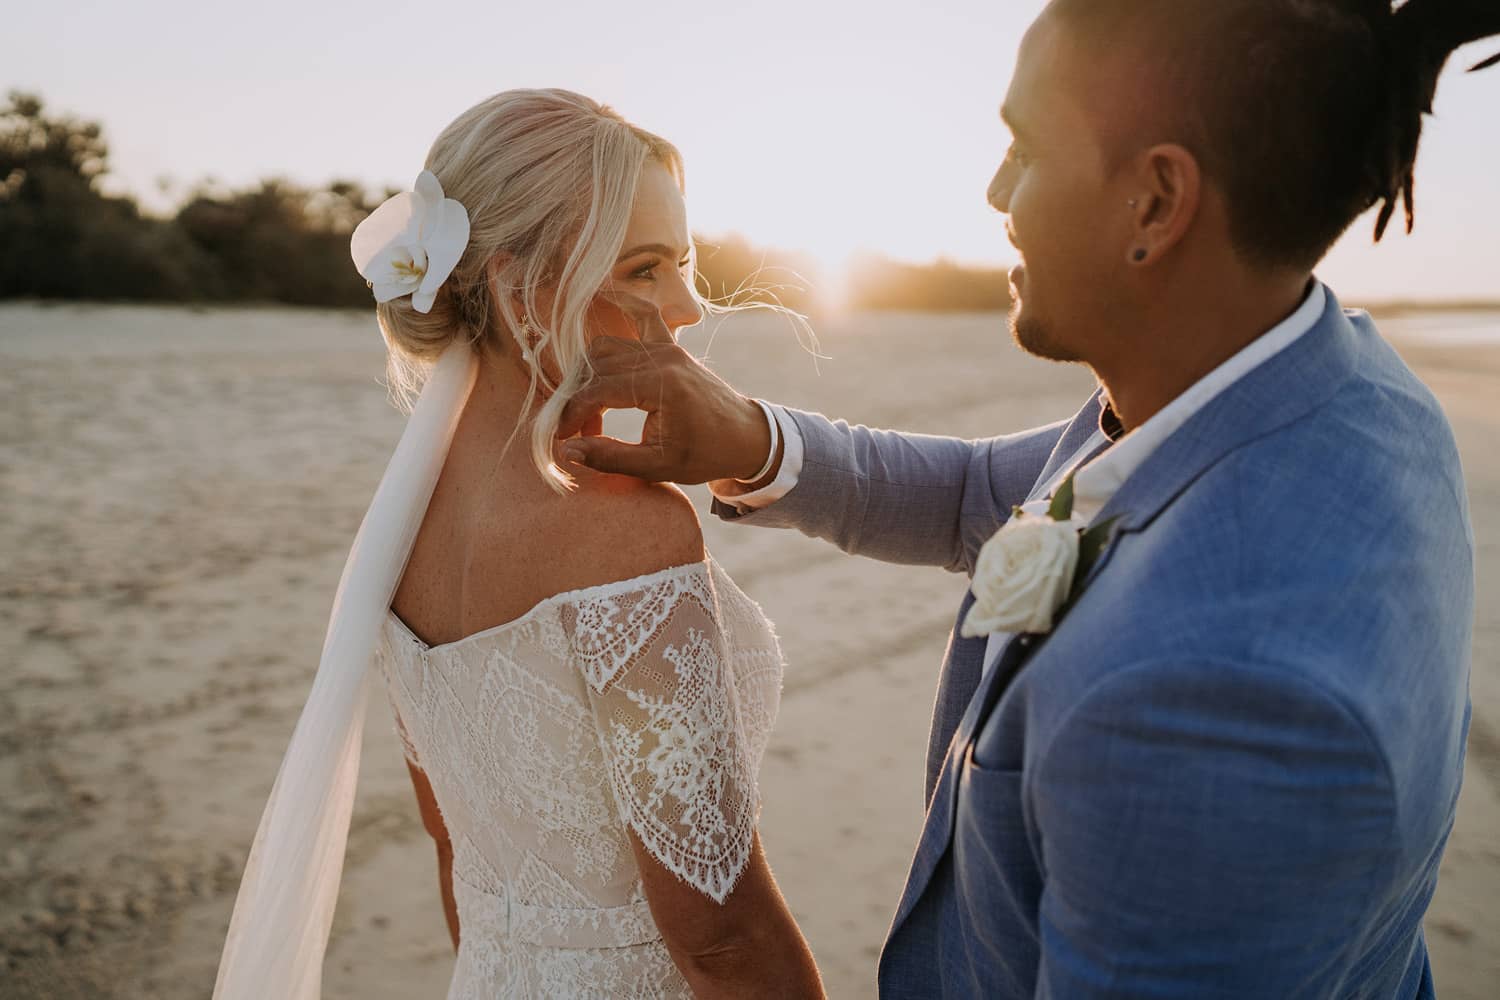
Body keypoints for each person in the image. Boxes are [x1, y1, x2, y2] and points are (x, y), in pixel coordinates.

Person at [556, 2, 1500, 995]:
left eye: (1024, 148)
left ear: (1155, 201)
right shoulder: (1340, 389)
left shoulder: (1205, 704)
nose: (996, 189)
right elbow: (982, 494)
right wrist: (749, 437)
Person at [213, 89, 823, 999]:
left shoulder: (400, 523)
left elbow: (456, 847)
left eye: (684, 263)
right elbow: (722, 939)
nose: (688, 307)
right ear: (519, 289)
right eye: (646, 269)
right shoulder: (628, 526)